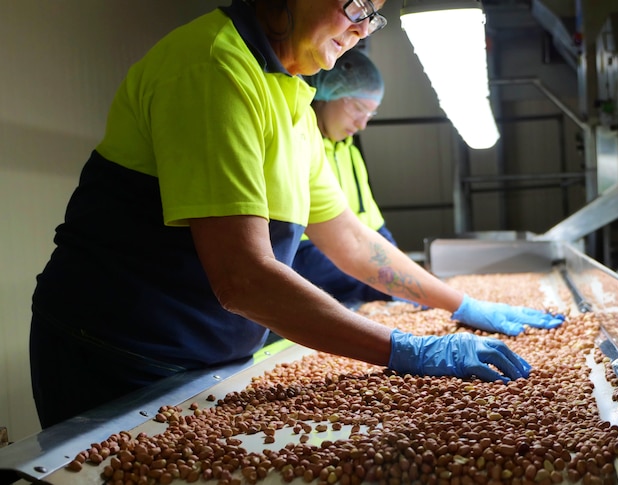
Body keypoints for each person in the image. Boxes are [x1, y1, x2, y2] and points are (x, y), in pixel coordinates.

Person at [28, 0, 564, 430]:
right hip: (119, 358)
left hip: (204, 362)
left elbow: (351, 242)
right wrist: (406, 350)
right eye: (357, 6)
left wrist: (461, 303)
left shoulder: (290, 93)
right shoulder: (214, 67)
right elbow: (242, 279)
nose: (362, 29)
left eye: (374, 15)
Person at [293, 49, 395, 306]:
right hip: (314, 286)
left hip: (351, 295)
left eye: (371, 114)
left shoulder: (350, 152)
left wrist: (404, 276)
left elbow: (376, 229)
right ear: (327, 92)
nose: (362, 124)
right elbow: (298, 252)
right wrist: (383, 282)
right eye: (358, 109)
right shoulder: (297, 146)